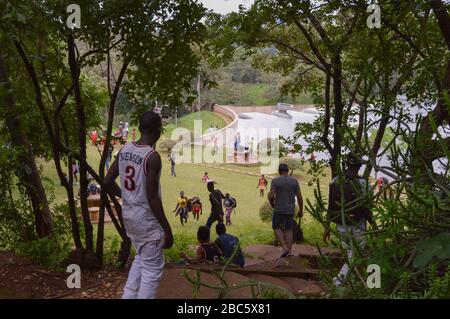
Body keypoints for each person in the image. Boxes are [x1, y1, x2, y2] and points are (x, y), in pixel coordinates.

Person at [104, 111, 173, 299]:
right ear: (157, 130)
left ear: (141, 128)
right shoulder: (152, 157)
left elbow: (107, 181)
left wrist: (126, 196)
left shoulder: (125, 149)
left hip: (129, 218)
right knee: (151, 271)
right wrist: (167, 229)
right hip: (146, 222)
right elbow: (152, 197)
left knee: (141, 260)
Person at [323, 153, 372, 287]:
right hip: (357, 225)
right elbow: (367, 208)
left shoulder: (335, 180)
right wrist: (373, 225)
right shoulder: (363, 183)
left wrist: (327, 227)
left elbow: (330, 206)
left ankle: (353, 280)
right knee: (355, 254)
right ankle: (338, 282)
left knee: (350, 254)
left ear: (347, 164)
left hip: (340, 225)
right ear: (359, 166)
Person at [268, 163, 303, 258]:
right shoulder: (294, 181)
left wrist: (272, 204)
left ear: (279, 171)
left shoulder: (275, 181)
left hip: (279, 208)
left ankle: (284, 247)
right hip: (290, 209)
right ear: (287, 171)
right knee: (288, 229)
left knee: (276, 227)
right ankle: (290, 251)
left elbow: (271, 196)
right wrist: (301, 210)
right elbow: (299, 197)